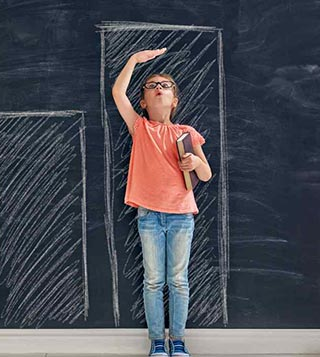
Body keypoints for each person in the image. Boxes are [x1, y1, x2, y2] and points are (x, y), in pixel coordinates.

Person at [111, 48, 212, 357]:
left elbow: (206, 175)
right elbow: (117, 92)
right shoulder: (140, 128)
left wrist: (194, 160)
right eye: (152, 86)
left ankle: (178, 341)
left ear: (174, 101)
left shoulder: (186, 132)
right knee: (154, 280)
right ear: (143, 101)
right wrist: (133, 61)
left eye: (165, 85)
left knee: (178, 281)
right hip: (149, 215)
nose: (158, 88)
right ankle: (158, 341)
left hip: (182, 214)